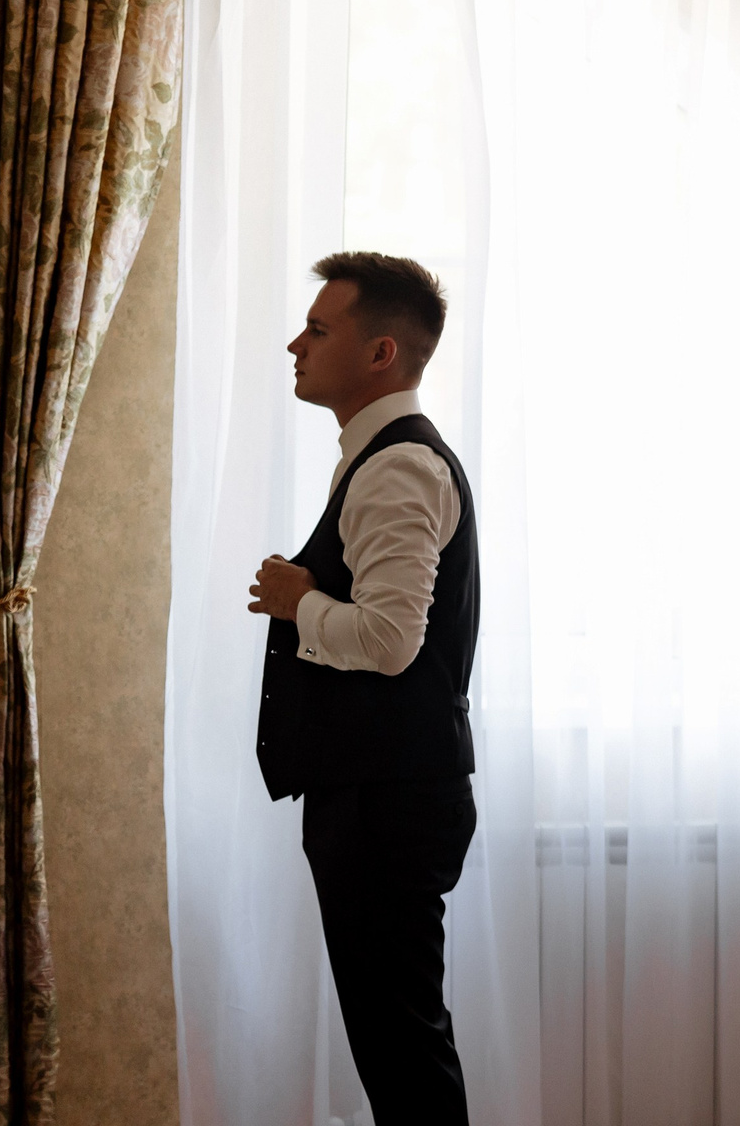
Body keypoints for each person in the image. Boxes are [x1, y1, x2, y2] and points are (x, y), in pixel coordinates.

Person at [247, 251, 479, 1124]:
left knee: (403, 1050)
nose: (296, 345)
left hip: (388, 804)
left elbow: (389, 642)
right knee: (397, 1046)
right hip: (383, 794)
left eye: (318, 328)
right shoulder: (377, 459)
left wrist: (299, 602)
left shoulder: (397, 467)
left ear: (380, 353)